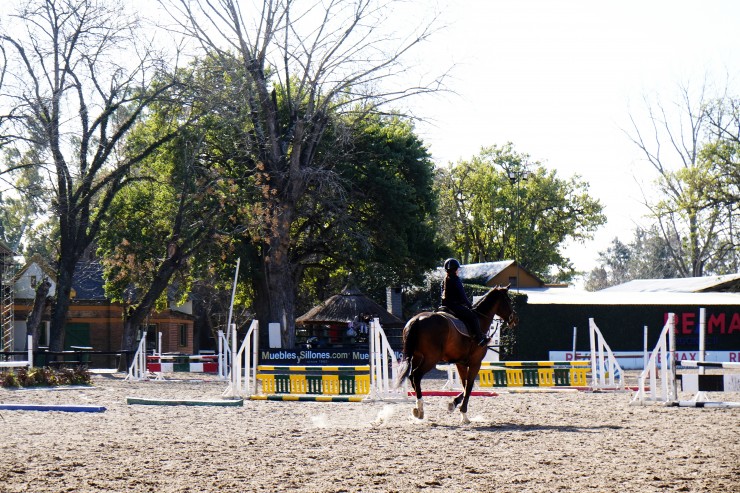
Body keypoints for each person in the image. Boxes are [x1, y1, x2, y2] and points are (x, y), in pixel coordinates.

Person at [440, 258, 487, 347]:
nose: (458, 270)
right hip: (455, 306)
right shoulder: (456, 279)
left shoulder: (444, 280)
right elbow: (462, 295)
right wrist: (470, 306)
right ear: (454, 269)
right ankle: (479, 339)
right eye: (457, 268)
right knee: (473, 317)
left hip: (445, 307)